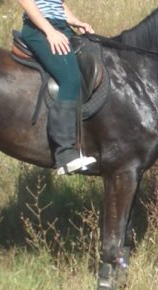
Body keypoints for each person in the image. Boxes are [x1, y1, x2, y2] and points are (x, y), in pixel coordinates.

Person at [18, 0, 97, 175]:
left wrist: (77, 22)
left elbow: (58, 6)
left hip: (61, 27)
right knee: (70, 79)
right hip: (38, 28)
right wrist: (49, 32)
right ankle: (64, 154)